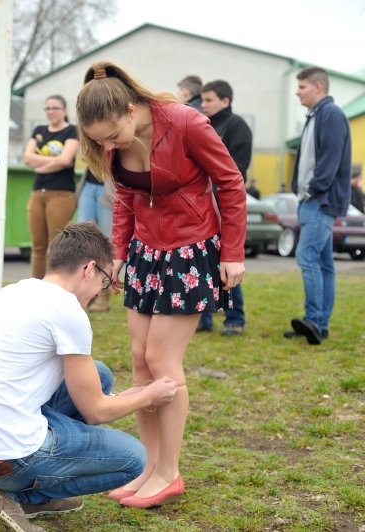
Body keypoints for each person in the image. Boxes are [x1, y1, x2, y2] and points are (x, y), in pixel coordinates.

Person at [76, 61, 246, 508]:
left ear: (131, 111)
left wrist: (232, 252)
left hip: (192, 249)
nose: (109, 146)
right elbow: (126, 198)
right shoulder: (113, 141)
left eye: (113, 136)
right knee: (139, 360)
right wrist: (117, 251)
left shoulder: (187, 123)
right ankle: (150, 468)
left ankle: (169, 473)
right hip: (146, 254)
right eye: (100, 141)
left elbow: (230, 183)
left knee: (161, 357)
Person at [0, 222, 178, 532]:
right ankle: (26, 494)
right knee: (134, 458)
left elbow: (91, 396)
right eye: (106, 279)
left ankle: (25, 481)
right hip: (9, 460)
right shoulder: (67, 310)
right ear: (89, 269)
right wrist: (149, 396)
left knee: (99, 375)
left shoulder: (14, 290)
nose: (100, 291)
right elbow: (96, 412)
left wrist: (128, 395)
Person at [284, 67, 351, 344]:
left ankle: (314, 320)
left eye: (302, 87)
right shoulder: (315, 115)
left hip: (320, 201)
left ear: (318, 87)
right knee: (323, 264)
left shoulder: (331, 114)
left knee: (307, 257)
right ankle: (319, 324)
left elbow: (329, 161)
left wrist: (311, 191)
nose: (297, 92)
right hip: (311, 200)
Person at [196, 80, 253, 336]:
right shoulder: (201, 125)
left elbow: (235, 172)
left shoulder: (237, 126)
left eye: (208, 100)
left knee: (227, 262)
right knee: (200, 262)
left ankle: (234, 318)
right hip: (201, 207)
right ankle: (203, 318)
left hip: (224, 206)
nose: (203, 104)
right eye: (203, 100)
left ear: (225, 101)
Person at [23, 95, 79, 279]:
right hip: (38, 193)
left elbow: (66, 159)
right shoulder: (39, 130)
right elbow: (27, 157)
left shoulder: (72, 131)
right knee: (38, 246)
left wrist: (40, 166)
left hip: (61, 194)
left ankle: (56, 287)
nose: (51, 112)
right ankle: (37, 288)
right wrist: (55, 162)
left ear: (65, 110)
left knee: (56, 247)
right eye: (47, 108)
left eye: (55, 108)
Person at [76, 166, 113, 312]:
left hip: (109, 185)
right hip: (89, 183)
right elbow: (84, 155)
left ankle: (104, 294)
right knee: (82, 240)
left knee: (106, 242)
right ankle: (85, 291)